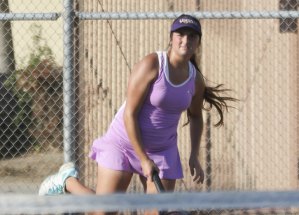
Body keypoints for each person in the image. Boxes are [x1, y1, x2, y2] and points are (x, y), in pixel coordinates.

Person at [39, 13, 235, 201]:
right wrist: (143, 159)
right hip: (123, 144)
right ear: (171, 38)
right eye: (180, 34)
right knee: (103, 211)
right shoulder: (152, 64)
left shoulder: (195, 80)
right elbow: (130, 114)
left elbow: (196, 116)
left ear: (198, 42)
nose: (185, 40)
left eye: (192, 36)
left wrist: (194, 155)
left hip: (162, 151)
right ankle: (67, 181)